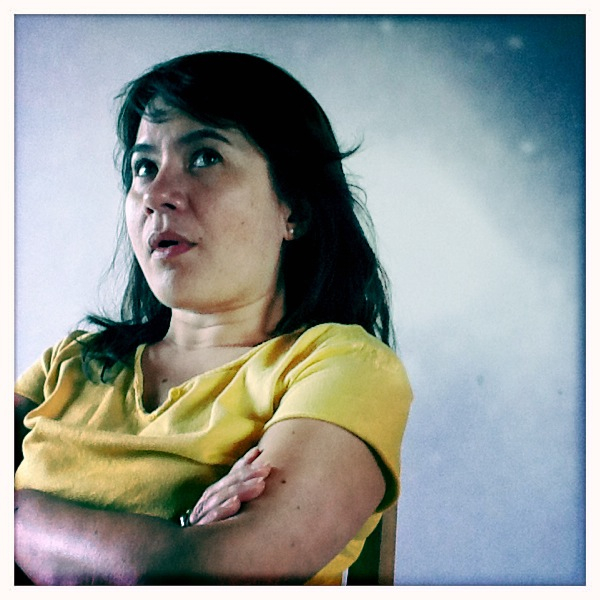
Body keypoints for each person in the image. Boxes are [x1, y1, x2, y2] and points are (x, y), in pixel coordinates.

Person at [14, 51, 412, 585]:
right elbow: (168, 564)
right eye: (143, 167)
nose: (156, 195)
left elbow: (212, 575)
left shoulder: (343, 366)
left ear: (293, 208)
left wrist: (19, 517)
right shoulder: (71, 362)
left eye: (204, 157)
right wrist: (173, 535)